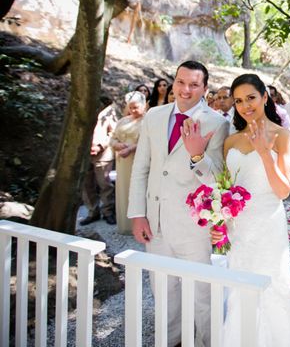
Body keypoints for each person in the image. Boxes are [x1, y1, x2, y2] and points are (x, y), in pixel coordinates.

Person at [128, 60, 229, 346]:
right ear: (173, 82)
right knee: (163, 289)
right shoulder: (154, 116)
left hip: (194, 224)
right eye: (181, 82)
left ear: (205, 89)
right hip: (155, 221)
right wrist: (138, 214)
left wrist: (197, 155)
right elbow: (141, 168)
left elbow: (218, 180)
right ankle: (171, 341)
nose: (186, 90)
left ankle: (207, 342)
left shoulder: (218, 123)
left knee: (202, 293)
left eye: (194, 84)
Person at [221, 73, 290, 346]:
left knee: (273, 288)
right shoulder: (231, 141)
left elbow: (284, 191)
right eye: (238, 101)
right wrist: (220, 225)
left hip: (268, 226)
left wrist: (264, 152)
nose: (245, 105)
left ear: (265, 97)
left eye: (251, 97)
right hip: (238, 229)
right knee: (240, 290)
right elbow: (226, 190)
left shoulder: (282, 137)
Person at [109, 91, 146, 234]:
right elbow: (112, 138)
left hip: (139, 160)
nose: (133, 110)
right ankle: (125, 225)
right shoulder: (123, 121)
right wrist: (117, 145)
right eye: (131, 107)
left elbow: (148, 141)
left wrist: (130, 148)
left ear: (143, 105)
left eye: (136, 107)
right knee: (124, 190)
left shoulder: (148, 120)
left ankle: (140, 226)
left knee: (138, 190)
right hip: (123, 162)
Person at [79, 95, 118, 226]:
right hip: (84, 154)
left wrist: (100, 146)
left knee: (105, 184)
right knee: (86, 185)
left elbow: (113, 133)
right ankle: (92, 212)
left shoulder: (107, 113)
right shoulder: (80, 111)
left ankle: (108, 212)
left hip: (103, 154)